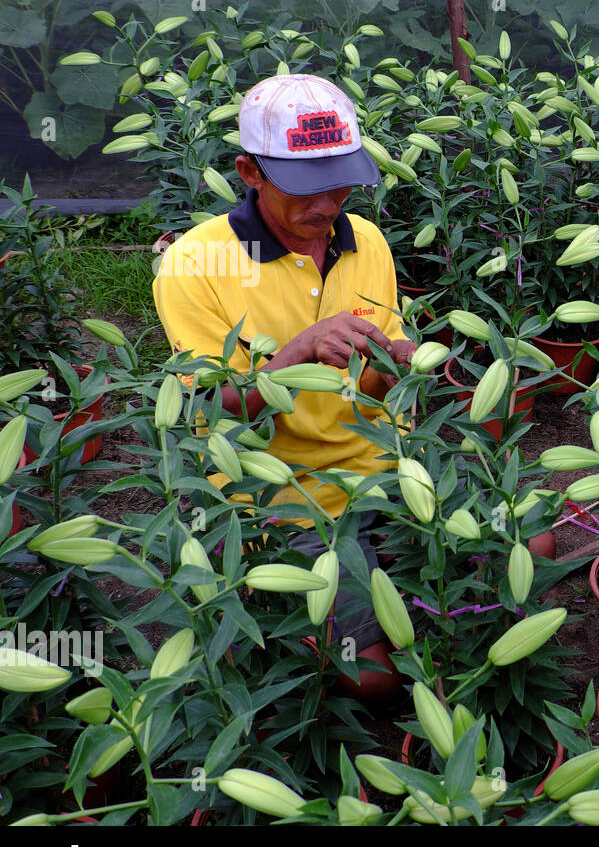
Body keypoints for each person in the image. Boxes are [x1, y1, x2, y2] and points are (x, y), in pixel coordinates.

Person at [153, 73, 416, 685]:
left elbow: (375, 387)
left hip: (384, 467)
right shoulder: (195, 264)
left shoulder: (367, 242)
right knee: (373, 681)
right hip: (281, 499)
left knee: (531, 550)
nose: (327, 207)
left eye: (339, 182)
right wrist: (293, 360)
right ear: (249, 173)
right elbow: (212, 414)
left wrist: (400, 363)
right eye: (305, 189)